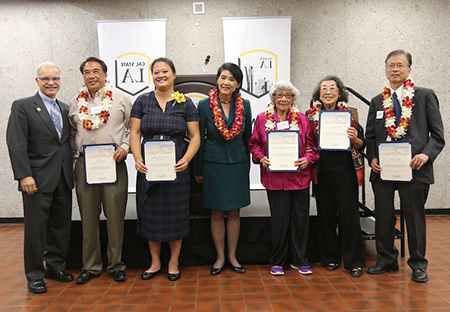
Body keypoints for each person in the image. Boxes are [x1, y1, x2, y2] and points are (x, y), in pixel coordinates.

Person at [366, 50, 445, 283]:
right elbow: (371, 137)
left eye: (400, 65)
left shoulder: (425, 96)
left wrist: (426, 155)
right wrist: (372, 157)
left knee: (414, 218)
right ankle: (386, 259)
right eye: (391, 65)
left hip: (415, 168)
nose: (395, 69)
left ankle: (419, 264)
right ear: (385, 69)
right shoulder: (377, 101)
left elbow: (438, 136)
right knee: (383, 216)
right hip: (384, 169)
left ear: (409, 69)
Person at [130, 57, 200, 281]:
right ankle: (155, 261)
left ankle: (173, 262)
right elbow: (134, 133)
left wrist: (187, 159)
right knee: (150, 212)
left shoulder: (185, 103)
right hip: (149, 166)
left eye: (165, 71)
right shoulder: (142, 101)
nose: (161, 75)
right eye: (156, 72)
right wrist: (137, 159)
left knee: (176, 214)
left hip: (176, 166)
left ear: (174, 75)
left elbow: (196, 137)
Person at [6, 62, 74, 293]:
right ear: (37, 81)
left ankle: (54, 266)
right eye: (45, 78)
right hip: (36, 179)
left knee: (60, 226)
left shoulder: (65, 108)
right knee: (36, 230)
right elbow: (16, 143)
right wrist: (24, 175)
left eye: (55, 78)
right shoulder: (23, 106)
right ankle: (34, 274)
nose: (51, 82)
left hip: (63, 178)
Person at [69, 57, 132, 283]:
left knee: (115, 217)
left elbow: (134, 127)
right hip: (85, 165)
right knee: (88, 218)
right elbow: (70, 134)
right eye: (86, 72)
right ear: (83, 76)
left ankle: (116, 264)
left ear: (106, 75)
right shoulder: (75, 103)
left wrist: (126, 147)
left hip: (113, 163)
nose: (91, 75)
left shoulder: (121, 98)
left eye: (96, 71)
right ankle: (91, 266)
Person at [249, 81, 319, 276]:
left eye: (288, 96)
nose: (283, 99)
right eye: (280, 95)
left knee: (300, 221)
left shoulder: (303, 120)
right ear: (273, 98)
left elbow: (313, 147)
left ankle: (300, 259)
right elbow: (254, 145)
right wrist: (260, 157)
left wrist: (307, 159)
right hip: (275, 180)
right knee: (279, 222)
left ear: (293, 99)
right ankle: (277, 260)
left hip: (299, 179)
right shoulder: (262, 119)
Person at [194, 63, 252, 275]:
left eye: (232, 79)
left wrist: (246, 165)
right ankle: (219, 258)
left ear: (237, 84)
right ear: (217, 80)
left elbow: (247, 138)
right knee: (217, 213)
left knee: (235, 213)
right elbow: (198, 138)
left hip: (237, 164)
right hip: (213, 165)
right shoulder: (204, 105)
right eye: (223, 78)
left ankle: (233, 257)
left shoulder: (245, 105)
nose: (226, 82)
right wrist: (198, 169)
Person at [305, 75, 366, 278]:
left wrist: (355, 138)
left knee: (349, 217)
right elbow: (307, 144)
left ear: (340, 92)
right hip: (321, 172)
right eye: (324, 88)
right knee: (326, 216)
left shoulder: (351, 115)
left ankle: (354, 261)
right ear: (318, 94)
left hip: (346, 172)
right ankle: (330, 257)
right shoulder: (309, 116)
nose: (328, 92)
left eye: (332, 88)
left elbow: (362, 144)